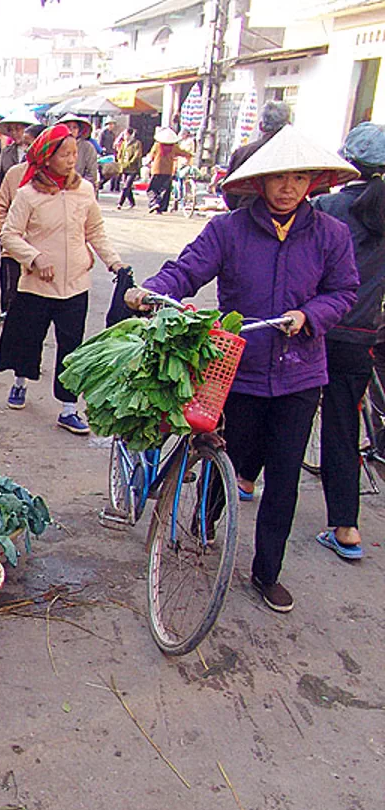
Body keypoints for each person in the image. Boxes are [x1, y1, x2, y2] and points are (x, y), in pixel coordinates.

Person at [127, 125, 359, 613]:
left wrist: (309, 316)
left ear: (313, 182)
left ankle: (266, 572)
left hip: (300, 373)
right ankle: (204, 528)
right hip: (240, 368)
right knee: (228, 461)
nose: (288, 188)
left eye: (299, 178)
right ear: (258, 182)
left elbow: (344, 293)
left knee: (284, 478)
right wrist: (151, 289)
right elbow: (186, 270)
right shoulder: (227, 230)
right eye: (279, 178)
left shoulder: (331, 235)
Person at [0, 124, 126, 434]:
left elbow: (94, 231)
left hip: (75, 285)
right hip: (37, 285)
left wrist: (114, 262)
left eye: (74, 153)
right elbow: (9, 234)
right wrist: (35, 258)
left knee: (72, 346)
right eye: (64, 154)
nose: (72, 160)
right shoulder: (28, 195)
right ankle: (20, 381)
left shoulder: (84, 191)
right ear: (46, 157)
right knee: (29, 340)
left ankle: (68, 407)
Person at [309, 122, 385, 560]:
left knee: (282, 414)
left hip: (315, 329)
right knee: (343, 429)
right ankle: (347, 528)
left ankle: (242, 481)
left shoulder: (326, 208)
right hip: (360, 337)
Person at [0, 124, 44, 316]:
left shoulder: (61, 179)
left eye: (31, 144)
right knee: (11, 279)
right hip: (14, 240)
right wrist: (3, 229)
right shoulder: (14, 171)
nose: (27, 149)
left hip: (41, 246)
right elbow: (0, 201)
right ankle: (8, 309)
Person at [224, 101, 291, 210]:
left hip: (245, 213)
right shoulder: (296, 155)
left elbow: (229, 193)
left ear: (260, 126)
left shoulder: (242, 153)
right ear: (289, 126)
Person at [146, 127, 190, 214]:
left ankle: (154, 202)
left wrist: (148, 162)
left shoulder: (157, 145)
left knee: (152, 189)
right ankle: (160, 208)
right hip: (168, 171)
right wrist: (191, 155)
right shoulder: (174, 147)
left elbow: (151, 156)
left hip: (157, 170)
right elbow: (184, 153)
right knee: (165, 190)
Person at [59, 116, 97, 189]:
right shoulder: (56, 145)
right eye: (68, 127)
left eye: (75, 127)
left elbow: (92, 173)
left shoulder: (87, 147)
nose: (71, 130)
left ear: (79, 130)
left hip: (79, 187)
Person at [115, 128, 143, 209]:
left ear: (130, 135)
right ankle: (132, 202)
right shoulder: (124, 143)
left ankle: (120, 203)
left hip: (132, 169)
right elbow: (120, 154)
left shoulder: (137, 143)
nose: (124, 136)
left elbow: (137, 155)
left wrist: (130, 163)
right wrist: (120, 161)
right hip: (124, 168)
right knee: (127, 187)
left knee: (126, 186)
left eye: (126, 134)